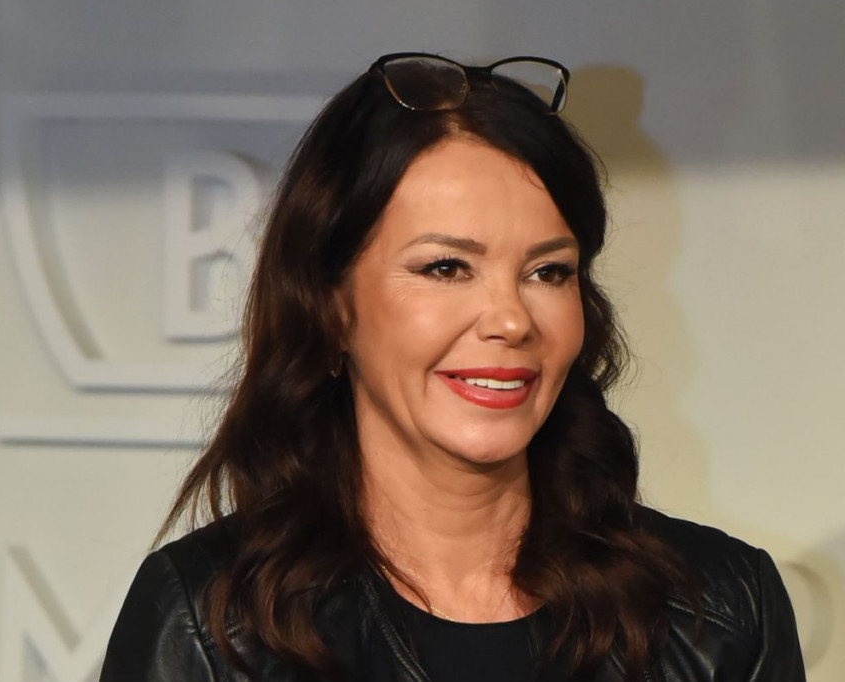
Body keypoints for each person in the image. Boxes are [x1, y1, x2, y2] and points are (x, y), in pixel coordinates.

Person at [100, 53, 806, 682]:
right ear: (331, 306)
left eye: (548, 272)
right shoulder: (211, 626)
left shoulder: (719, 609)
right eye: (445, 267)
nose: (510, 320)